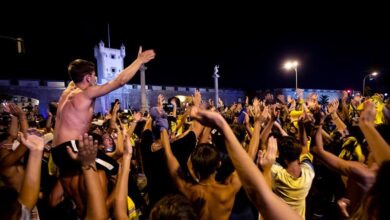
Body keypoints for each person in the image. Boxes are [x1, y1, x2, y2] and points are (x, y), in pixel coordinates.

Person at [50, 46, 155, 216]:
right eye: (93, 76)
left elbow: (75, 74)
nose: (96, 79)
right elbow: (119, 81)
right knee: (118, 168)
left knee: (73, 187)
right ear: (87, 77)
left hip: (58, 151)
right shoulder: (85, 94)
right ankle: (140, 206)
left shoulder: (67, 92)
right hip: (72, 147)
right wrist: (139, 60)